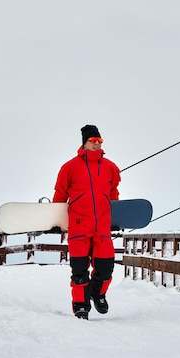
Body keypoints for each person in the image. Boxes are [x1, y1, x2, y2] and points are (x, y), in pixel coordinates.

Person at [53, 124, 121, 320]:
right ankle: (81, 305)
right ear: (84, 143)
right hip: (78, 226)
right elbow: (60, 194)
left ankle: (98, 293)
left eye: (100, 141)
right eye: (93, 141)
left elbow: (113, 193)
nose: (97, 144)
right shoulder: (69, 167)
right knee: (80, 271)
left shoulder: (110, 168)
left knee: (106, 267)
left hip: (102, 227)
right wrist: (57, 219)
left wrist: (115, 218)